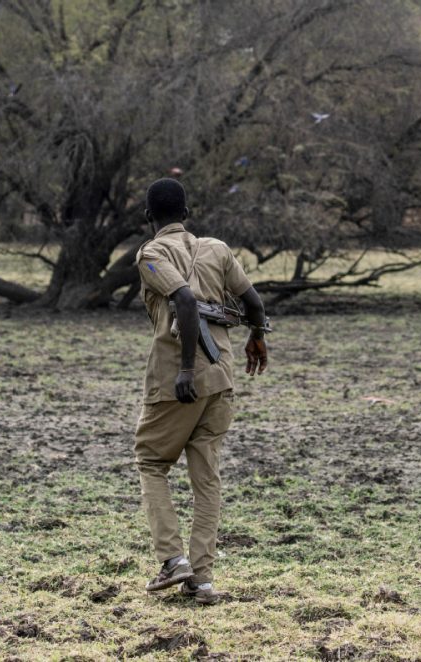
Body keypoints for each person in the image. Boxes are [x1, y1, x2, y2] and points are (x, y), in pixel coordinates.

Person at [133, 178, 268, 605]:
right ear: (187, 214)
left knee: (151, 461)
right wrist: (257, 337)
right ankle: (203, 579)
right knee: (206, 475)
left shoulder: (151, 254)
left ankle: (173, 560)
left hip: (180, 381)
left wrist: (187, 369)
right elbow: (255, 304)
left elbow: (185, 301)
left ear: (148, 217)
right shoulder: (217, 249)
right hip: (222, 380)